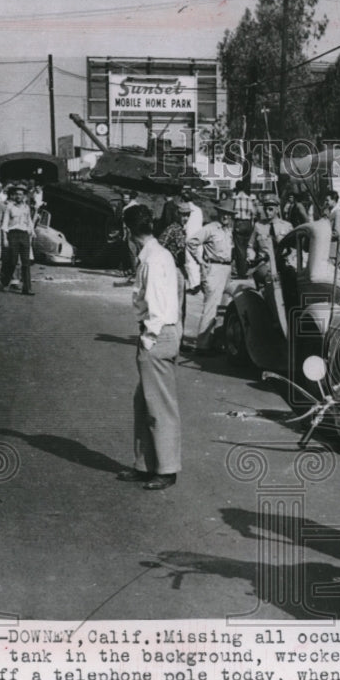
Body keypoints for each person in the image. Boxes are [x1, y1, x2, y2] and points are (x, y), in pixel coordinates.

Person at [116, 204, 182, 491]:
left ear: (129, 231)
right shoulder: (157, 254)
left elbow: (156, 302)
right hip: (160, 332)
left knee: (159, 405)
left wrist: (148, 338)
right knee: (144, 402)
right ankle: (144, 464)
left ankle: (166, 469)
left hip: (157, 334)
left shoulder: (153, 260)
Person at [191, 198, 236, 353]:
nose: (226, 216)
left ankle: (216, 343)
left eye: (229, 214)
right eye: (223, 213)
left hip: (226, 270)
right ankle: (202, 345)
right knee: (211, 307)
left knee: (222, 308)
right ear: (218, 213)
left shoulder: (229, 230)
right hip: (214, 268)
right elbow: (191, 242)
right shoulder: (210, 228)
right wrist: (200, 261)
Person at [0, 186, 36, 295]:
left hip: (24, 235)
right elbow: (5, 223)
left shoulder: (26, 208)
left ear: (24, 196)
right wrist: (5, 238)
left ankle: (27, 288)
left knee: (26, 263)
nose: (19, 196)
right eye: (17, 194)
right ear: (14, 196)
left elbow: (29, 221)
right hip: (13, 234)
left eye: (21, 194)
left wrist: (32, 231)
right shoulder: (9, 207)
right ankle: (6, 282)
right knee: (12, 261)